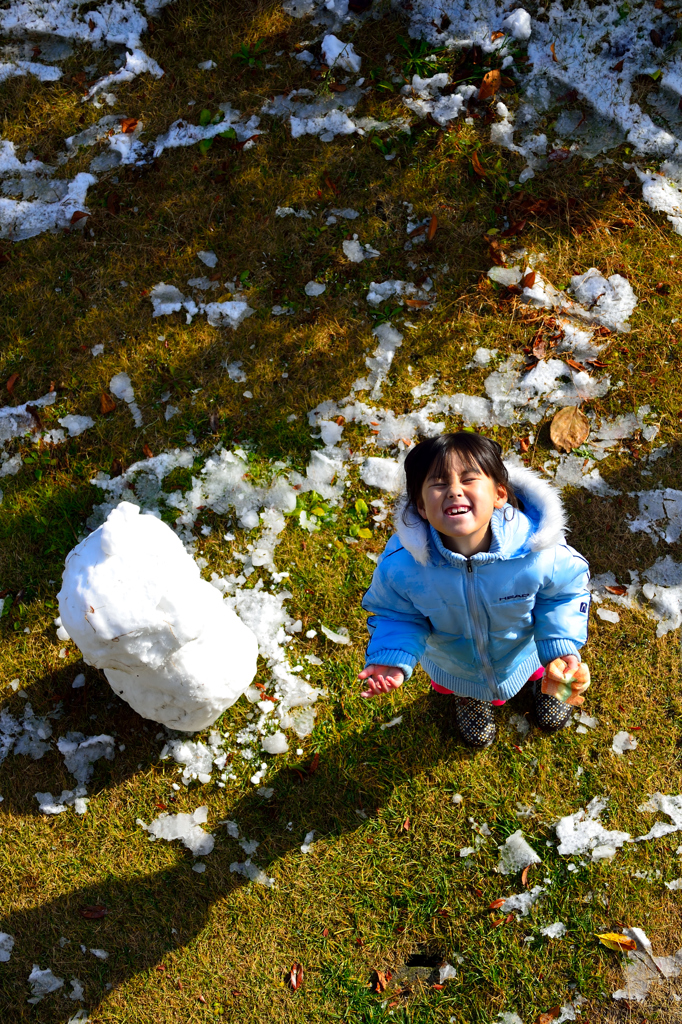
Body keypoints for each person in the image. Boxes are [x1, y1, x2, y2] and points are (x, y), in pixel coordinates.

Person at [358, 432, 590, 748]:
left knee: (536, 669)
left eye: (468, 480)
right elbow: (397, 615)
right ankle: (469, 698)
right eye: (438, 484)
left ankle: (547, 684)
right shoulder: (404, 567)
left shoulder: (537, 553)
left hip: (521, 652)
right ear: (421, 507)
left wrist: (558, 644)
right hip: (453, 662)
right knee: (462, 683)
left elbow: (565, 593)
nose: (454, 491)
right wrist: (391, 656)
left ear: (499, 494)